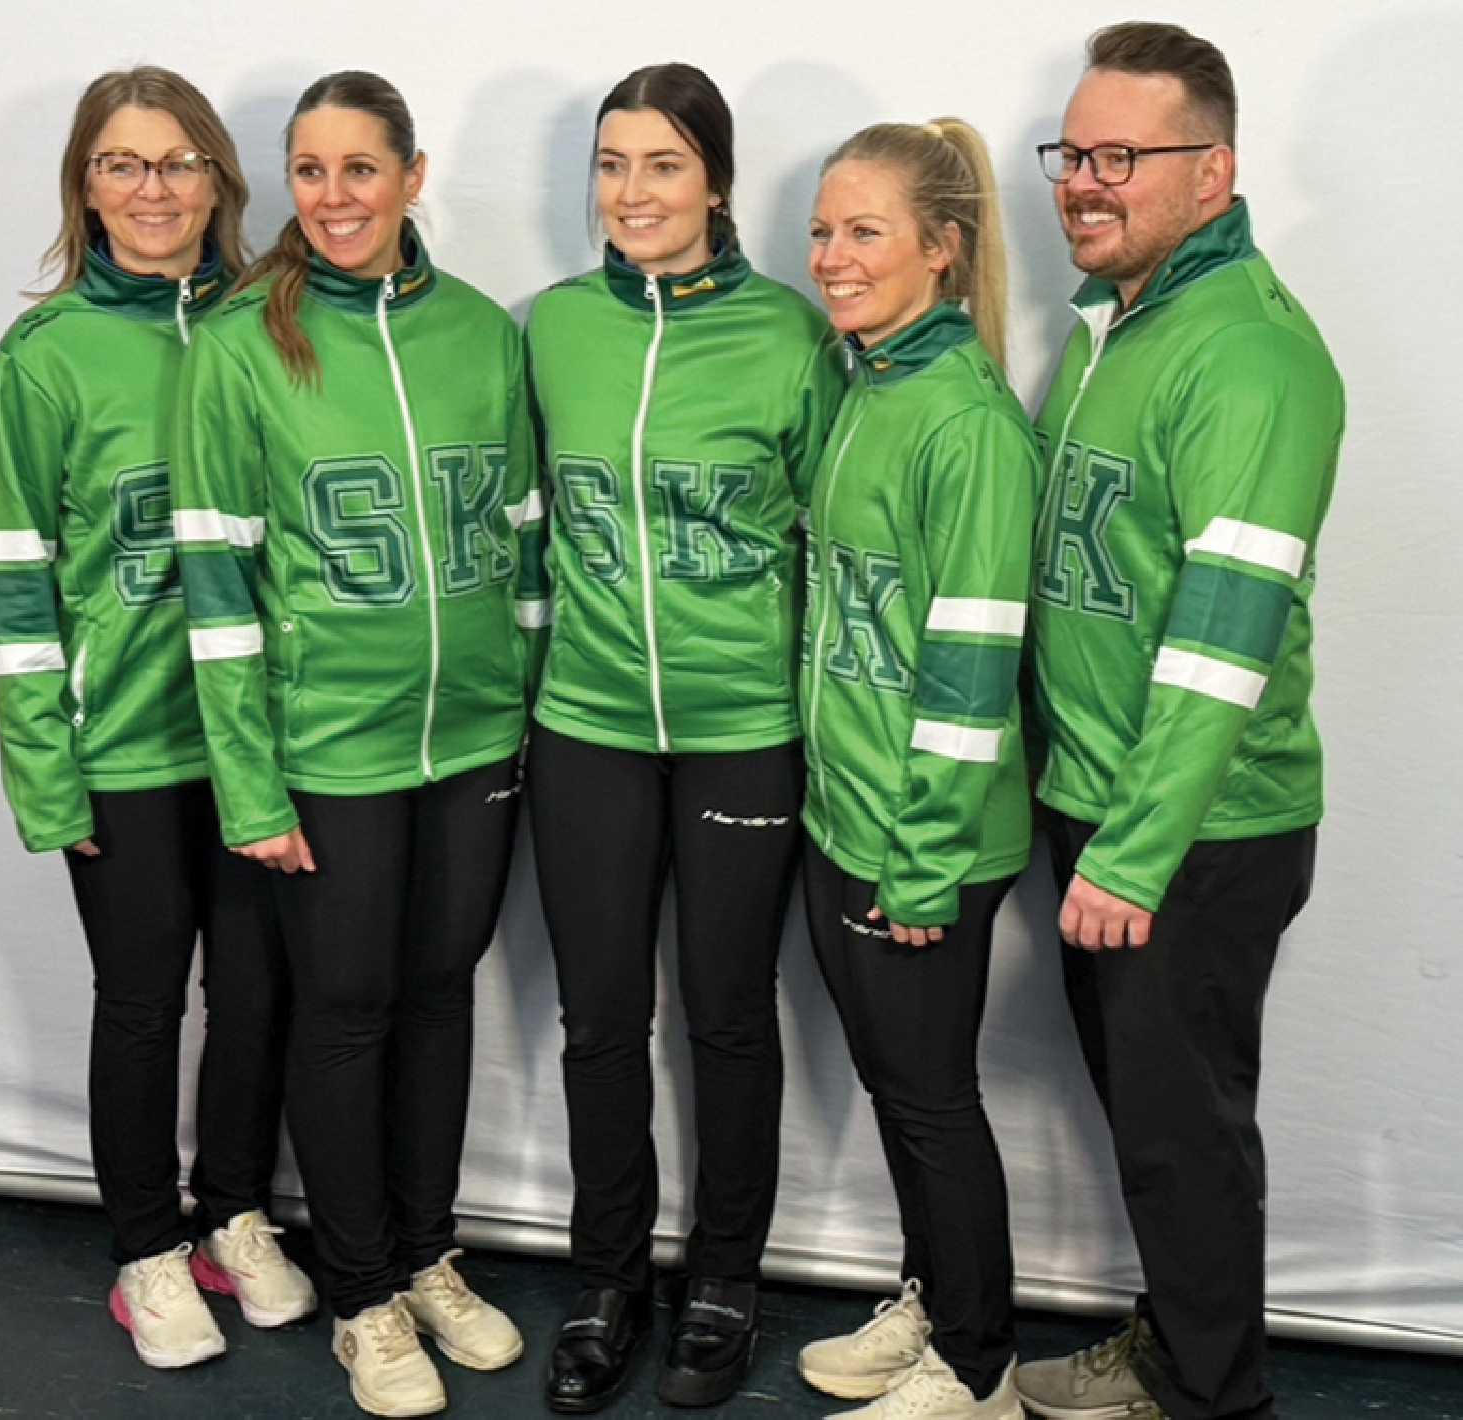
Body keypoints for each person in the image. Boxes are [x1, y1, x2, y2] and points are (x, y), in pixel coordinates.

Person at [170, 70, 544, 1418]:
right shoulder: (238, 346)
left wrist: (528, 700)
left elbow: (524, 539)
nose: (334, 197)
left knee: (440, 998)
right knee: (345, 1014)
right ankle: (364, 1296)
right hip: (328, 749)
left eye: (360, 169)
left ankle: (429, 1251)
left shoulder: (482, 338)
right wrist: (249, 777)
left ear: (413, 176)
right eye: (310, 171)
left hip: (475, 742)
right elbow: (215, 586)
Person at [1016, 22, 1345, 1420]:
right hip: (1099, 801)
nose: (1084, 183)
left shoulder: (1252, 357)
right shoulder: (1124, 324)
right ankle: (1173, 1345)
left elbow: (1221, 646)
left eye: (1120, 158)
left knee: (1183, 1143)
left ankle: (1217, 1396)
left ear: (1212, 173)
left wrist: (1134, 854)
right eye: (1073, 154)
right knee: (1155, 1132)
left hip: (1194, 830)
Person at [0, 67, 315, 1370]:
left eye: (178, 162)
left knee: (257, 991)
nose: (153, 188)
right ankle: (144, 1248)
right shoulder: (44, 356)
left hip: (260, 745)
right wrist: (48, 782)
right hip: (120, 745)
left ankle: (234, 1212)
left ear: (219, 180)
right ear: (85, 185)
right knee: (140, 1002)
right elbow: (14, 586)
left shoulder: (265, 326)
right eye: (122, 163)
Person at [526, 61, 846, 1414]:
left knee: (726, 1016)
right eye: (610, 163)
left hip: (741, 732)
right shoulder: (545, 329)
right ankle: (608, 1276)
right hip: (585, 725)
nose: (631, 191)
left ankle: (725, 1273)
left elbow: (838, 545)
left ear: (714, 178)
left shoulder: (792, 334)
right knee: (600, 1021)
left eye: (661, 163)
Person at [794, 121, 1038, 1420]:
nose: (831, 257)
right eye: (824, 230)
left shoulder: (968, 427)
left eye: (865, 231)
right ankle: (934, 1300)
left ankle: (982, 1367)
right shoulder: (863, 386)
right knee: (897, 1089)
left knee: (934, 1100)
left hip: (925, 835)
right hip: (848, 814)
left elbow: (969, 672)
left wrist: (928, 861)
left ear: (943, 250)